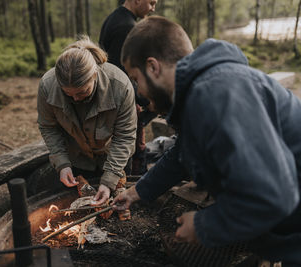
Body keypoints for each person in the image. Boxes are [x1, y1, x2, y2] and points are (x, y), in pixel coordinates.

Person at [112, 16, 301, 266]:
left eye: (136, 79)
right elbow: (182, 155)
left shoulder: (217, 92)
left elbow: (273, 195)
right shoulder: (200, 94)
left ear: (153, 67)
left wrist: (203, 226)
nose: (140, 93)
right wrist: (136, 192)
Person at [37, 36, 137, 205]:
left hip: (114, 157)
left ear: (95, 75)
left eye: (82, 92)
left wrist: (110, 178)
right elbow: (48, 127)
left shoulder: (120, 86)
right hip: (77, 159)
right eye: (68, 94)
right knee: (81, 211)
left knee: (117, 210)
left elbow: (125, 136)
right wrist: (62, 163)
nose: (75, 99)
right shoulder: (47, 86)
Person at [99, 0, 158, 175]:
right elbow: (121, 73)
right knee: (133, 152)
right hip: (123, 100)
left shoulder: (116, 18)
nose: (153, 8)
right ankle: (133, 190)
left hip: (117, 97)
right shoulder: (126, 27)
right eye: (151, 2)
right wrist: (146, 100)